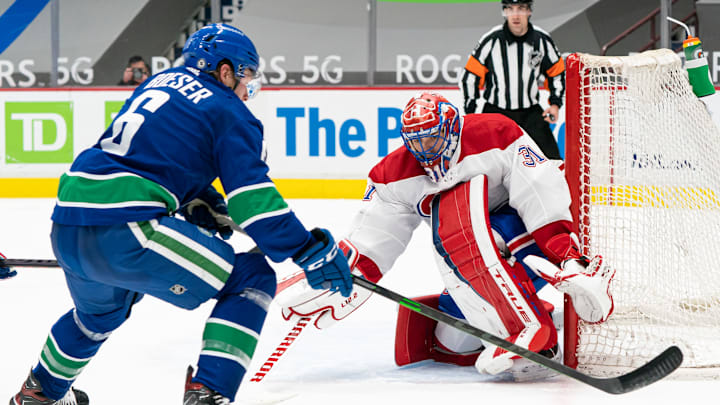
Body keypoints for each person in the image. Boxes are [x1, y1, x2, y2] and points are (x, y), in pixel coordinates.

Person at [8, 23, 353, 405]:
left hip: (68, 222)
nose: (247, 89)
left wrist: (195, 198)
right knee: (250, 277)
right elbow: (254, 203)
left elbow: (147, 154)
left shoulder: (158, 83)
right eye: (246, 76)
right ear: (225, 71)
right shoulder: (230, 111)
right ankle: (210, 394)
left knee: (96, 317)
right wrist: (306, 248)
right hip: (128, 227)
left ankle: (41, 394)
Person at [277, 92, 615, 380]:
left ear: (453, 128)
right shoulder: (393, 176)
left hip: (526, 234)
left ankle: (541, 318)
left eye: (432, 138)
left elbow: (539, 191)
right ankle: (533, 313)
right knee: (452, 341)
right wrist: (345, 276)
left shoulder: (496, 133)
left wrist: (564, 252)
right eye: (416, 141)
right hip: (472, 258)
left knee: (480, 230)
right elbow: (374, 236)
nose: (425, 150)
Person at [459, 0, 565, 160]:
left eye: (521, 9)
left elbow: (557, 72)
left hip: (530, 114)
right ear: (505, 12)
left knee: (554, 162)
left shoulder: (541, 40)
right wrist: (471, 110)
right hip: (496, 112)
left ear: (529, 11)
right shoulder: (491, 40)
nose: (515, 15)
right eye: (510, 9)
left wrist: (555, 104)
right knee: (479, 160)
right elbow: (470, 76)